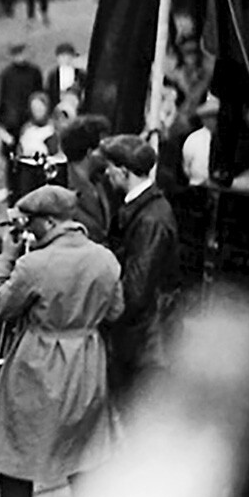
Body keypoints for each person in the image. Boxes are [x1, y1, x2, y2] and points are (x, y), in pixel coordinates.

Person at [0, 186, 124, 497]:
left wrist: (6, 257)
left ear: (51, 221)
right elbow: (116, 310)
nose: (29, 230)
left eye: (33, 223)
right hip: (87, 361)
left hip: (38, 363)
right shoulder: (105, 259)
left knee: (16, 447)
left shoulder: (33, 265)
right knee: (86, 451)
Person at [100, 134, 182, 403]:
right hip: (141, 340)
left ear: (124, 171)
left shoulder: (150, 220)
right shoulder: (142, 211)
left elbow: (135, 290)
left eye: (110, 167)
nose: (106, 173)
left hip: (146, 344)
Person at [0, 44, 44, 199]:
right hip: (12, 125)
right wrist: (1, 126)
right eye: (17, 54)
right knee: (12, 162)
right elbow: (1, 101)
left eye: (22, 54)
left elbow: (40, 95)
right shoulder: (6, 75)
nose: (20, 57)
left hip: (30, 123)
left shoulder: (34, 72)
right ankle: (13, 194)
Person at [58, 114, 113, 245]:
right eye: (103, 147)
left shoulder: (103, 183)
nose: (108, 152)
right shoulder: (63, 190)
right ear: (90, 152)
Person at [182, 96, 218, 187]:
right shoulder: (193, 139)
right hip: (197, 187)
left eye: (214, 116)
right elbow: (186, 167)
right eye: (208, 116)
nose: (211, 120)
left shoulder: (229, 138)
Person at [45, 43, 86, 109]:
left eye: (68, 56)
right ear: (57, 58)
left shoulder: (81, 74)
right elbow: (49, 93)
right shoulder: (53, 75)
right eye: (62, 56)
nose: (65, 60)